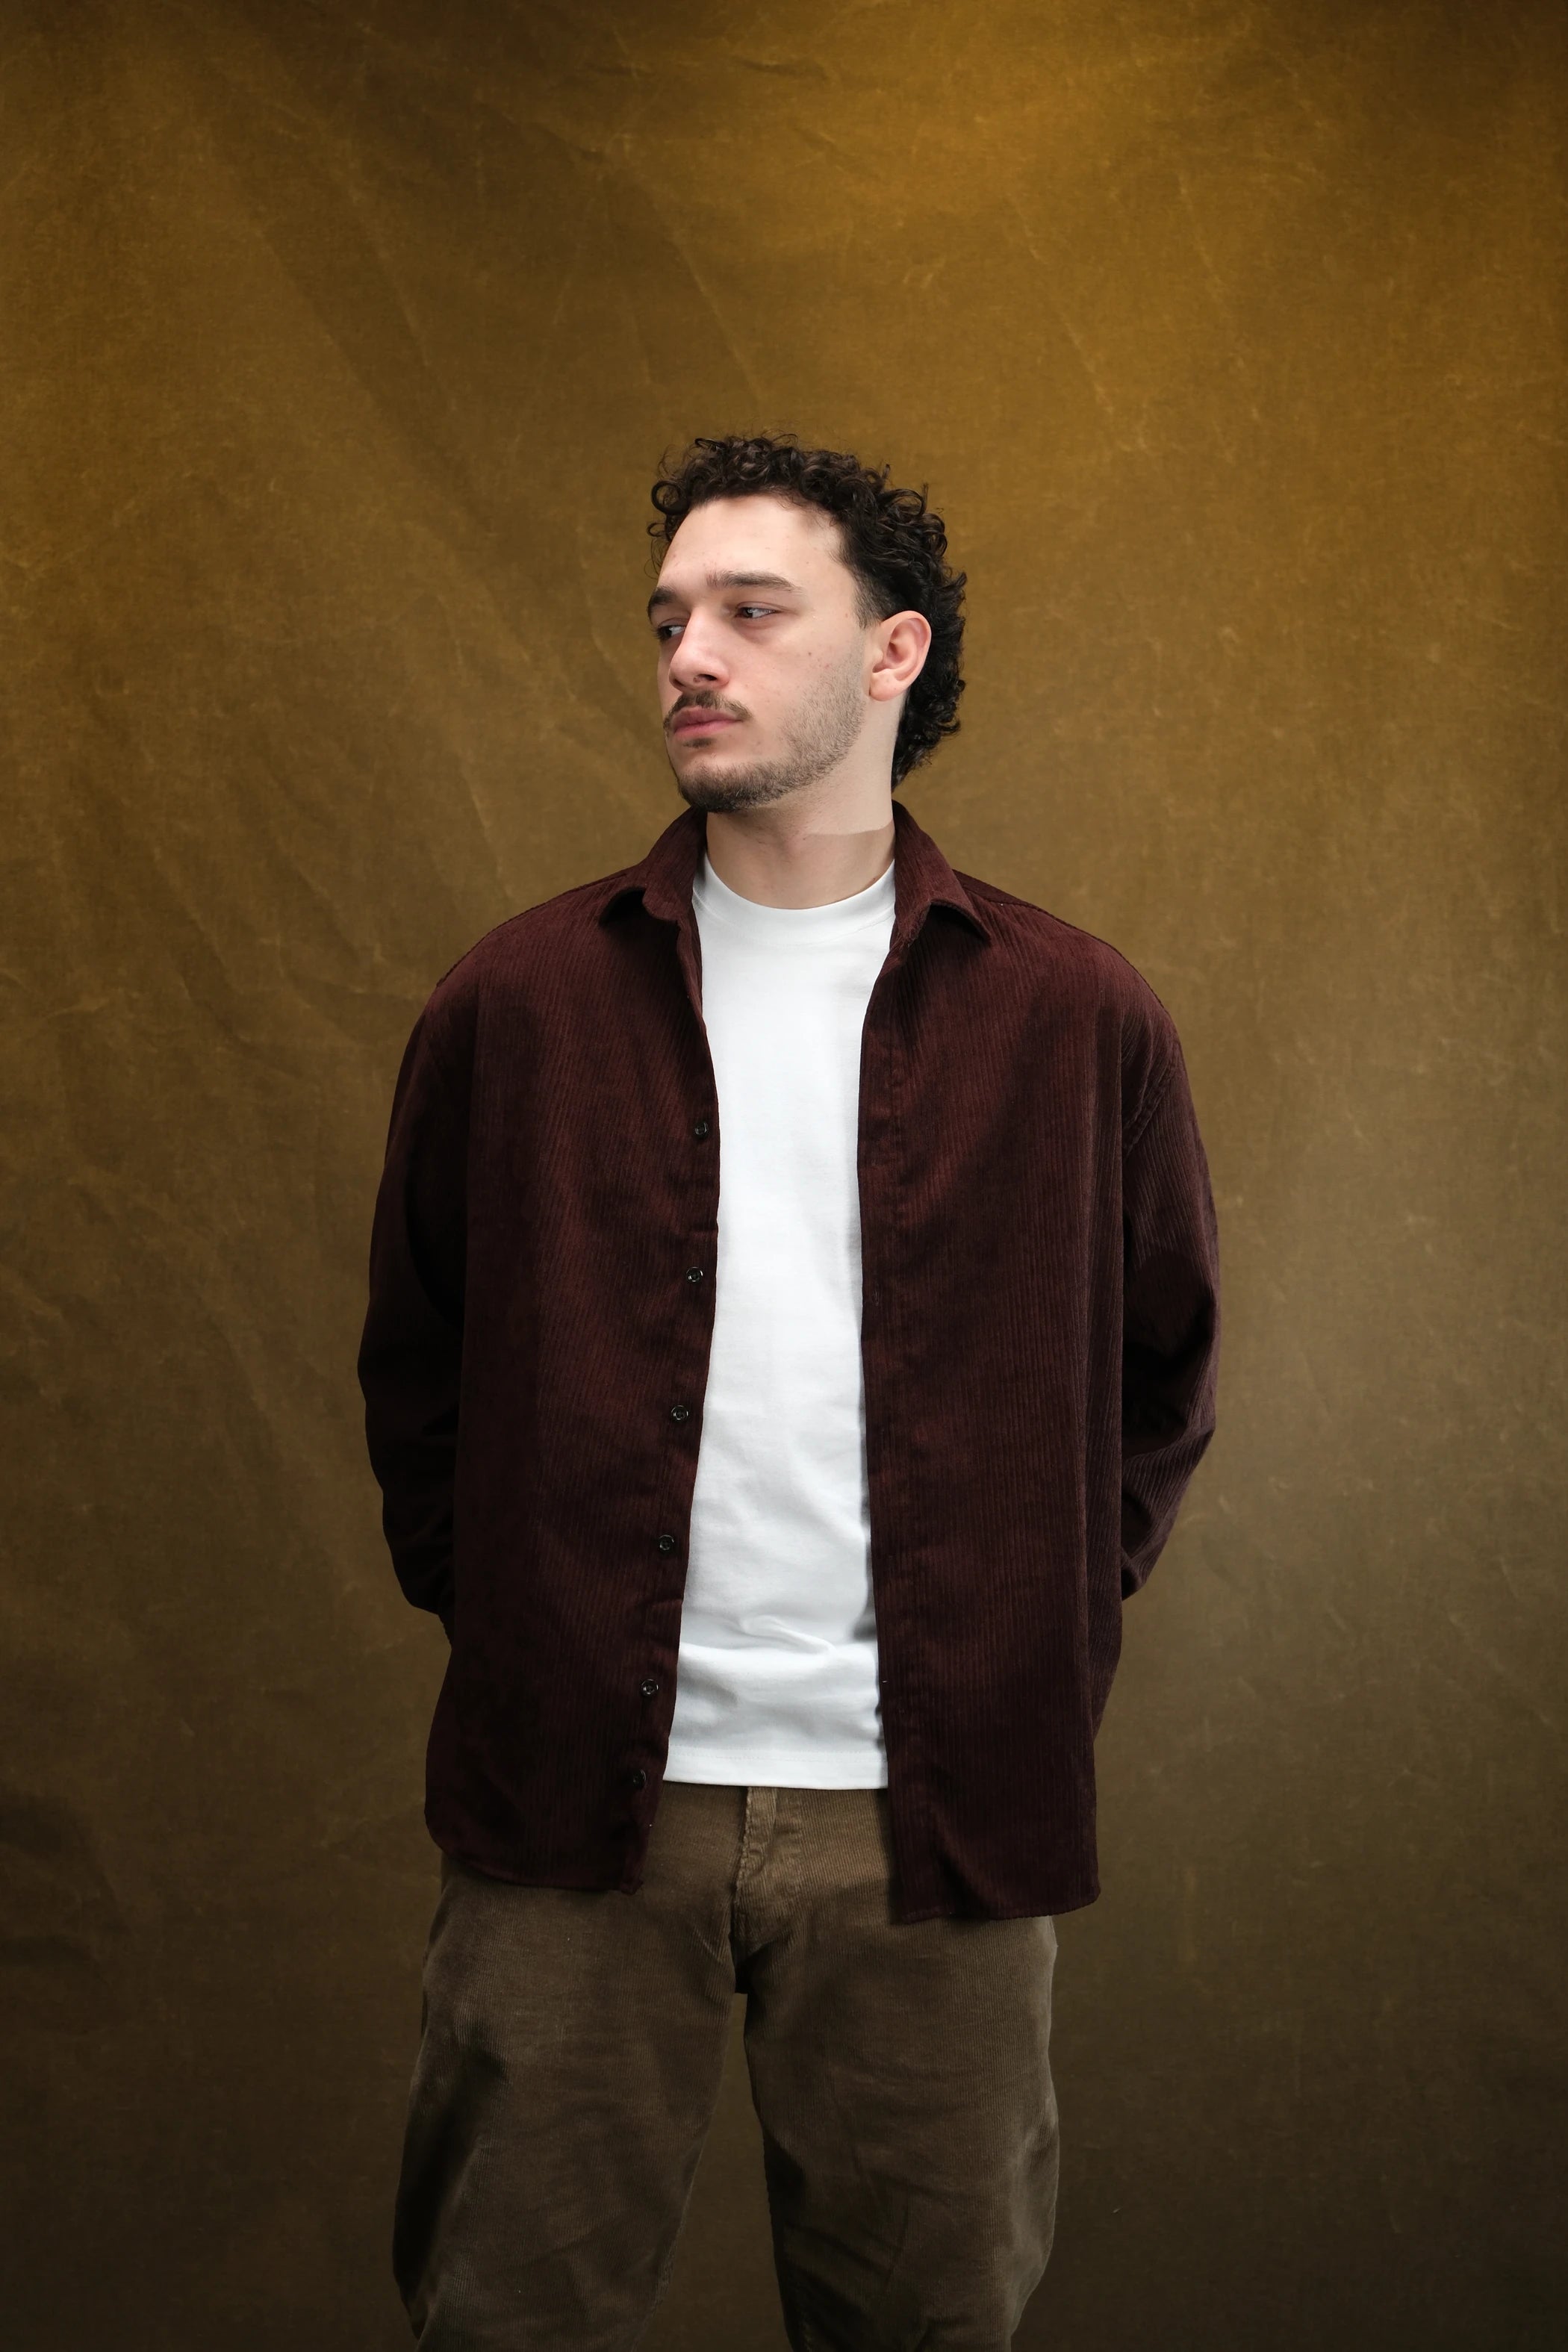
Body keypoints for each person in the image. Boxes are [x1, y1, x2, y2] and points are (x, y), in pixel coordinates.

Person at [358, 432, 1221, 2351]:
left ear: (892, 653)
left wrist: (1020, 1618)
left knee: (929, 2324)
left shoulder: (1075, 1016)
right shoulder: (518, 1002)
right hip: (573, 1806)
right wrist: (522, 1617)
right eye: (671, 617)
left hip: (936, 1824)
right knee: (505, 2317)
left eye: (754, 612)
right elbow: (416, 1363)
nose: (692, 653)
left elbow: (1163, 1375)